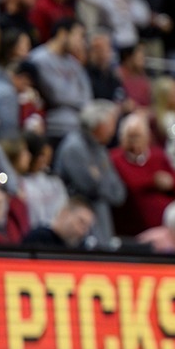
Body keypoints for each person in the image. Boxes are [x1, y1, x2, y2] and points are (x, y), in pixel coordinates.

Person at [53, 100, 125, 242]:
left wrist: (99, 178)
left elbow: (118, 193)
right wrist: (101, 182)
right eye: (111, 124)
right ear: (99, 125)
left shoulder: (100, 149)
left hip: (101, 217)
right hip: (78, 219)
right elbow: (90, 187)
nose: (113, 130)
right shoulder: (74, 147)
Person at [111, 111, 175, 237]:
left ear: (147, 137)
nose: (134, 141)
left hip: (171, 211)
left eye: (138, 136)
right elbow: (130, 185)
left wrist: (171, 183)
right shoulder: (115, 158)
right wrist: (153, 182)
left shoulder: (157, 155)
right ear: (122, 138)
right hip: (138, 219)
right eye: (130, 136)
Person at [23, 197, 95, 249]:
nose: (84, 230)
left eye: (87, 226)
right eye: (81, 221)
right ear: (65, 213)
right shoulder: (38, 238)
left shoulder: (81, 248)